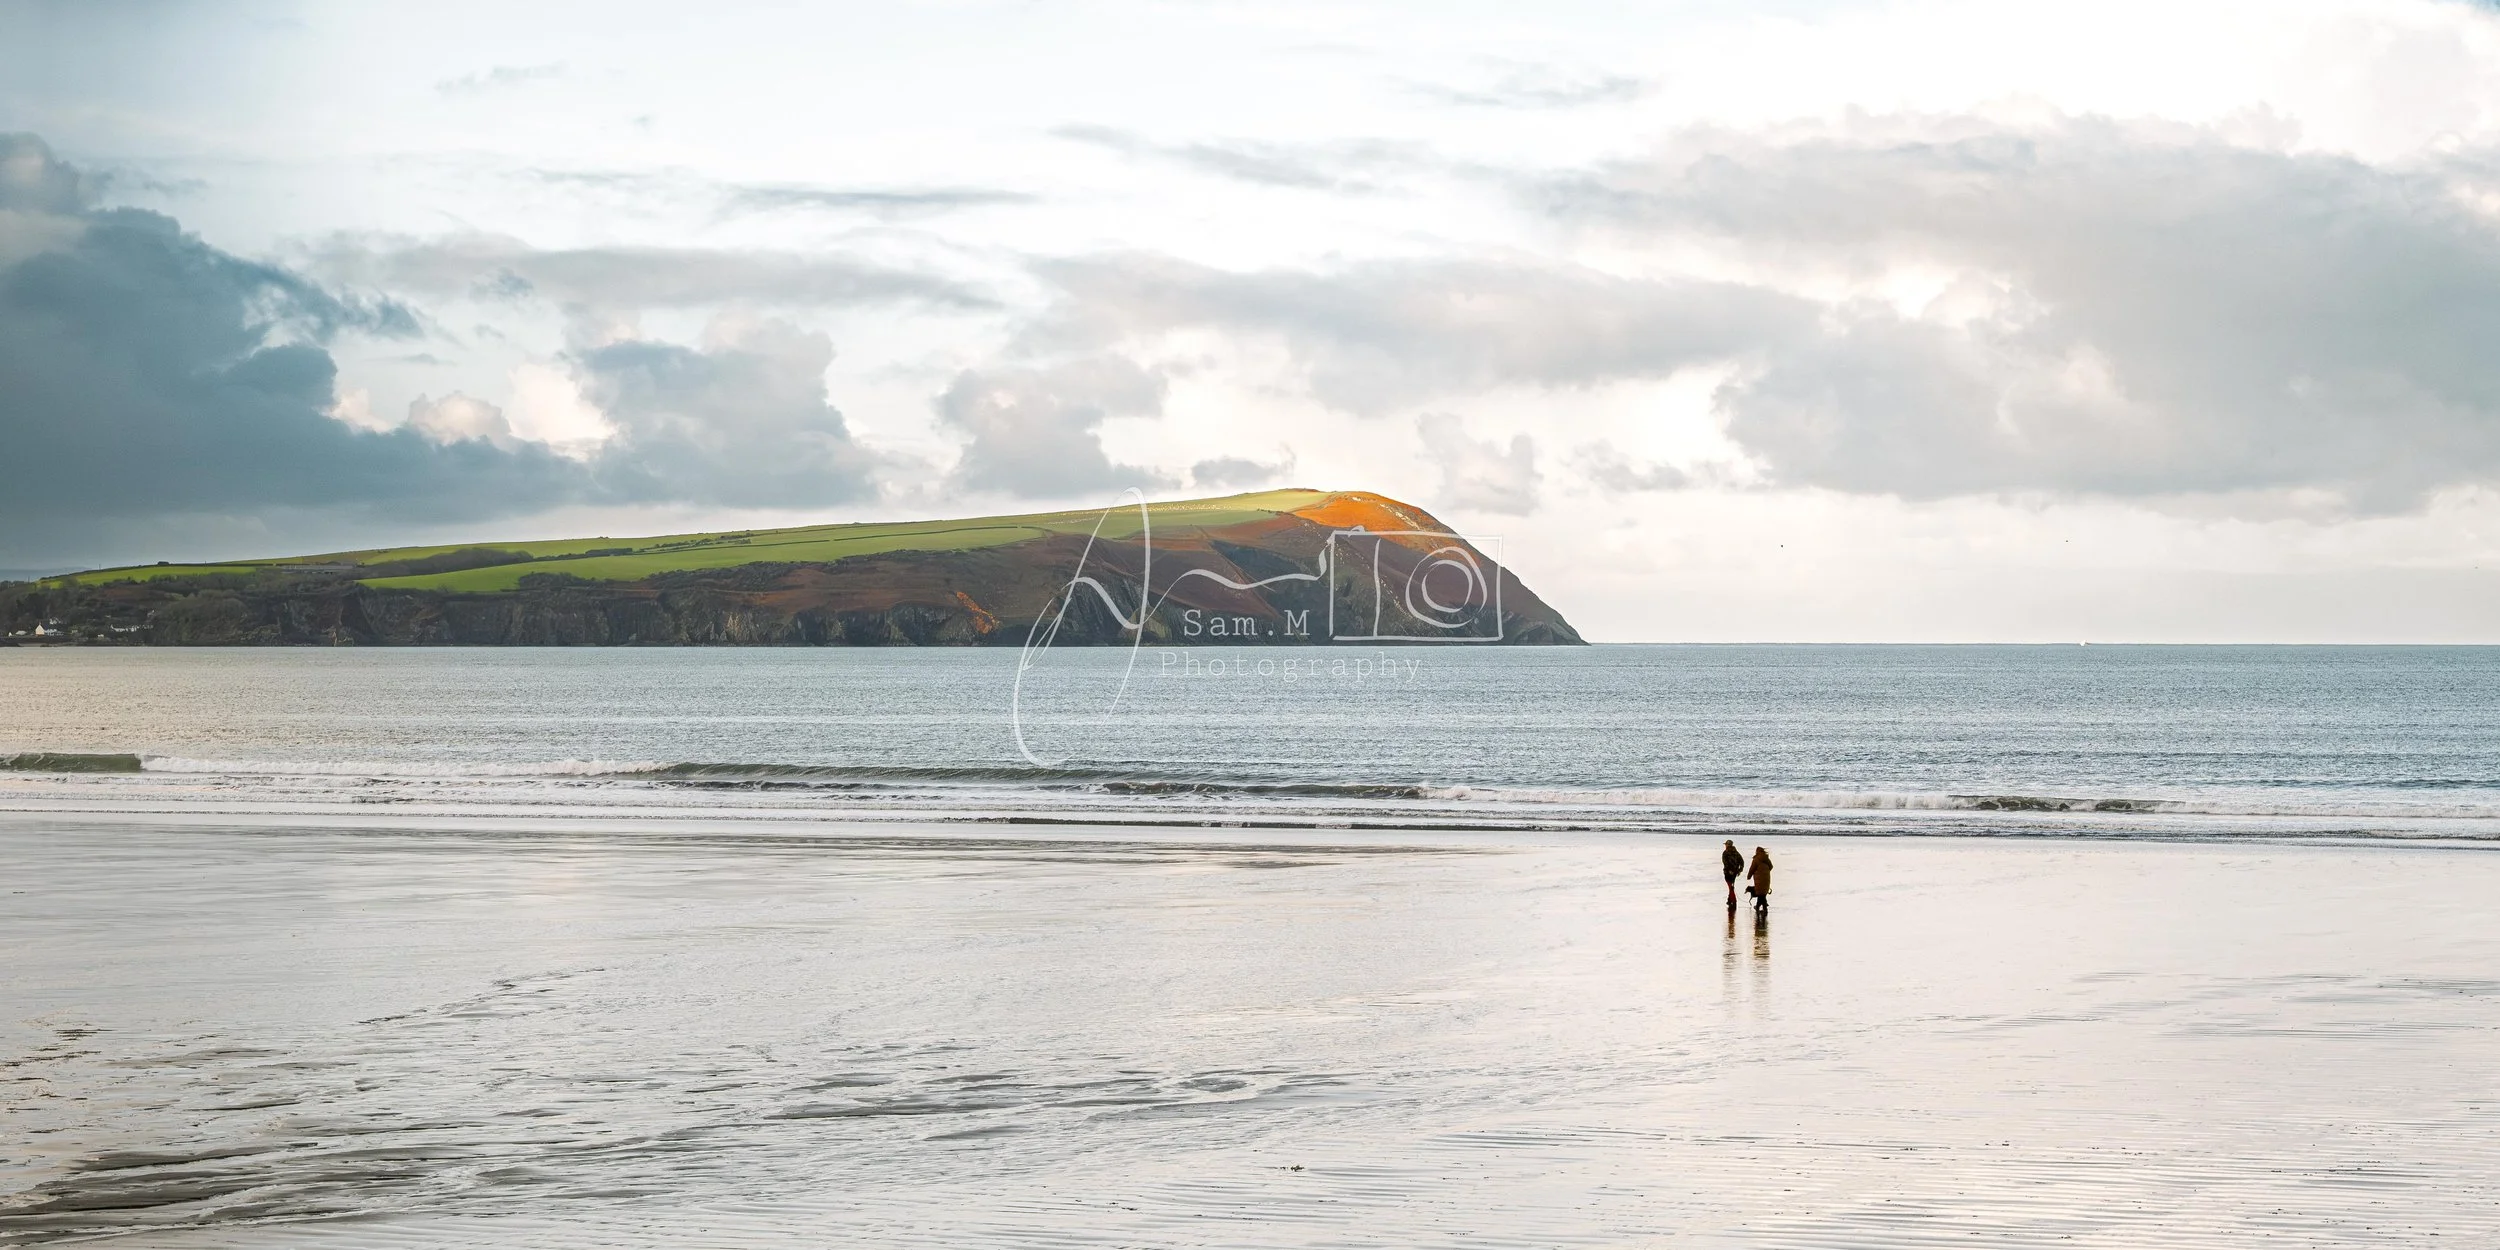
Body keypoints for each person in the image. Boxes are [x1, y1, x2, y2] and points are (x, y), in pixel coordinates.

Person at [1746, 846, 1774, 913]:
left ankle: (1761, 908)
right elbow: (1771, 866)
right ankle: (1762, 908)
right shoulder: (1766, 859)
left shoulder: (1756, 859)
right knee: (1763, 894)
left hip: (1759, 879)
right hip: (1766, 878)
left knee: (1760, 894)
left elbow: (1752, 869)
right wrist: (1765, 872)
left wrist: (1748, 876)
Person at [1720, 839, 1745, 910]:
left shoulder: (1725, 853)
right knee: (1731, 886)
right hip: (1735, 873)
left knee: (1730, 887)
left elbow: (1725, 863)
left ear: (1728, 845)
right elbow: (1742, 862)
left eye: (1726, 844)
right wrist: (1740, 870)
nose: (1725, 846)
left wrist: (1730, 870)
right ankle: (1729, 900)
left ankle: (1734, 901)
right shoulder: (1736, 852)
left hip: (1728, 873)